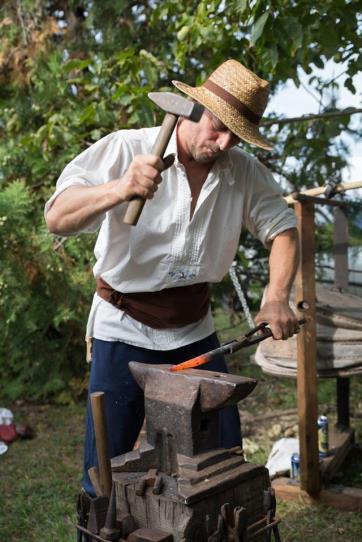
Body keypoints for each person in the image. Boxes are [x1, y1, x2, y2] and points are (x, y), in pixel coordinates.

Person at [44, 59, 299, 496]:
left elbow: (284, 230)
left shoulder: (242, 172)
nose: (222, 143)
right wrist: (119, 189)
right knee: (106, 468)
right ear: (193, 108)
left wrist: (276, 295)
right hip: (121, 327)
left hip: (195, 331)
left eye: (235, 136)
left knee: (222, 459)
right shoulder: (128, 148)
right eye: (218, 127)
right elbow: (57, 217)